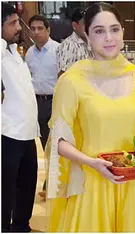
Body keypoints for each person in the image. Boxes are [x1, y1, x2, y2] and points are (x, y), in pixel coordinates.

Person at [45, 3, 135, 232]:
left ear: (123, 32)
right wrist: (92, 163)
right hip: (92, 181)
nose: (109, 38)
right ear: (86, 34)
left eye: (114, 29)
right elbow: (60, 141)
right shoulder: (72, 79)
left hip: (134, 183)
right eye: (99, 31)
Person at [2, 2, 39, 232]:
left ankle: (21, 226)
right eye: (12, 23)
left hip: (26, 133)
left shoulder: (14, 51)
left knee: (27, 186)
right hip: (6, 134)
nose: (18, 27)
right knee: (5, 192)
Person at [25, 14, 60, 200]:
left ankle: (52, 184)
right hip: (35, 102)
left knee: (53, 143)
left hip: (54, 101)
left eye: (40, 28)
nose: (36, 32)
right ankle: (50, 182)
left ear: (48, 30)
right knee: (41, 142)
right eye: (33, 29)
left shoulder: (58, 50)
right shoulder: (29, 53)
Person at [56, 8, 92, 77]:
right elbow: (63, 77)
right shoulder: (68, 45)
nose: (89, 27)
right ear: (75, 26)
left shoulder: (92, 42)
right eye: (85, 23)